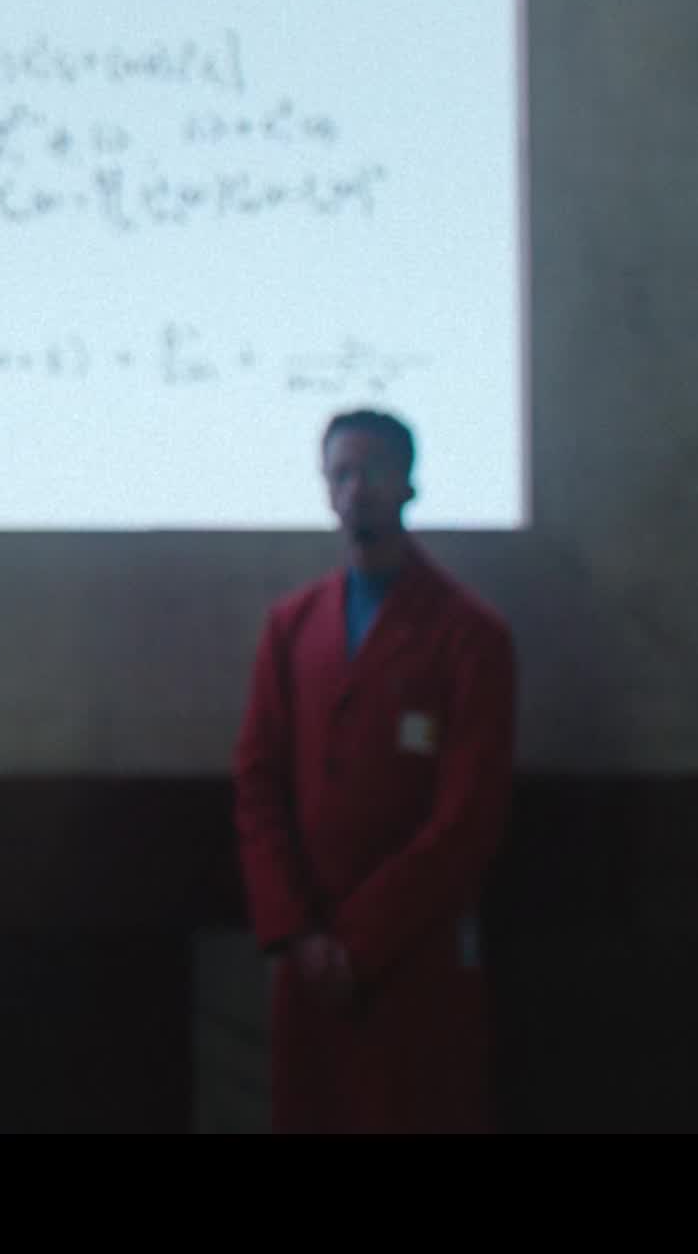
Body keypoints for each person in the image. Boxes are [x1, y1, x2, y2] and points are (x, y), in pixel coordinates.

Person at [232, 408, 516, 1134]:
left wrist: (360, 940)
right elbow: (259, 783)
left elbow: (467, 818)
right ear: (327, 489)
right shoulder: (291, 627)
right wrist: (296, 930)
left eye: (376, 472)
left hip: (412, 954)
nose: (357, 490)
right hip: (309, 957)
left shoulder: (470, 635)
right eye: (342, 474)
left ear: (409, 485)